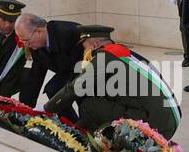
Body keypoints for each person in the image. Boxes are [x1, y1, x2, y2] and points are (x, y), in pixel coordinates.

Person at [46, 25, 181, 139]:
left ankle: (93, 144)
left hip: (155, 122)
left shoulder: (105, 56)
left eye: (84, 47)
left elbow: (75, 88)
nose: (84, 51)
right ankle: (99, 136)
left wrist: (47, 110)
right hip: (168, 120)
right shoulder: (124, 53)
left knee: (89, 105)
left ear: (94, 45)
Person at [15, 12, 82, 110]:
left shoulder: (69, 33)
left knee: (81, 98)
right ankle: (68, 123)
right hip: (67, 70)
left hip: (89, 71)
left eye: (26, 40)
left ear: (39, 31)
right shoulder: (36, 44)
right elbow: (35, 76)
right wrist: (24, 109)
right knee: (53, 89)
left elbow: (80, 70)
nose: (26, 45)